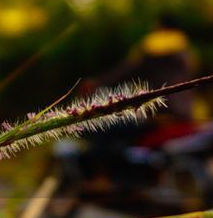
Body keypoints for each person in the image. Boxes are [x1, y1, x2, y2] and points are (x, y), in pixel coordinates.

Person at [84, 12, 198, 188]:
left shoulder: (154, 47)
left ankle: (107, 180)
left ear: (161, 27)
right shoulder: (185, 52)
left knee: (103, 129)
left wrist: (97, 82)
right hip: (186, 115)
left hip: (161, 115)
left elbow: (127, 71)